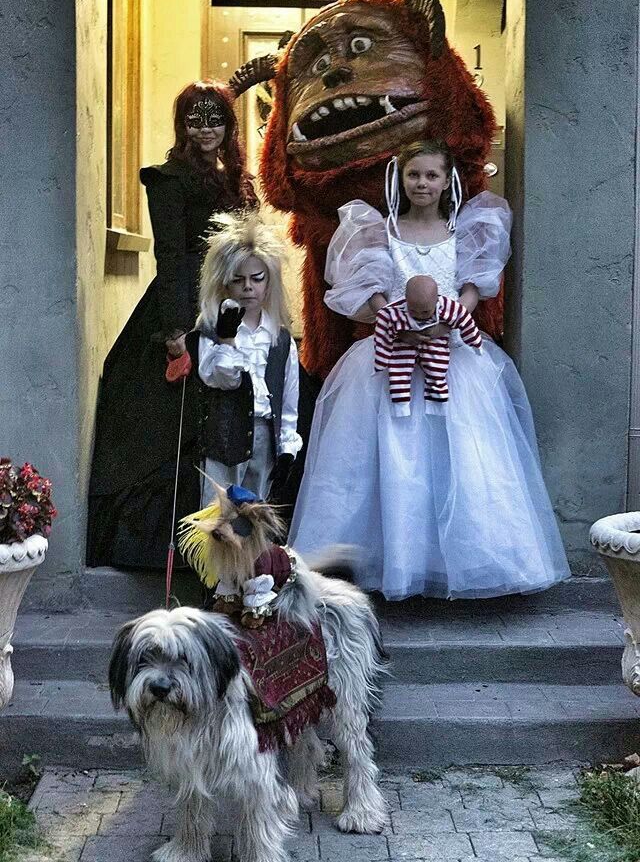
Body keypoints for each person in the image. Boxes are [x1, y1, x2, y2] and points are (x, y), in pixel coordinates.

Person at [290, 139, 571, 600]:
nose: (422, 183)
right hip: (389, 359)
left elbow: (472, 288)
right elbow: (374, 288)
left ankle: (453, 564)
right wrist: (396, 320)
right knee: (390, 458)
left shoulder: (465, 230)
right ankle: (389, 564)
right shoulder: (381, 231)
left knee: (459, 458)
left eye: (431, 175)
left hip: (453, 358)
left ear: (447, 181)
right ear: (400, 179)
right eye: (413, 175)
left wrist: (445, 322)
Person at [87, 80, 255, 569]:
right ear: (182, 125)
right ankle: (173, 546)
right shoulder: (168, 179)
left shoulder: (237, 179)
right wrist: (176, 330)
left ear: (229, 125)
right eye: (195, 119)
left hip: (233, 304)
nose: (206, 129)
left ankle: (239, 535)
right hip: (184, 306)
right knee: (172, 424)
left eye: (215, 119)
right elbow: (171, 256)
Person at [196, 209, 302, 505]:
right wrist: (227, 341)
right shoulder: (211, 330)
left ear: (269, 281)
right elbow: (219, 379)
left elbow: (288, 398)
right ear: (224, 283)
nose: (248, 287)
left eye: (257, 279)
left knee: (256, 514)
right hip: (223, 433)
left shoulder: (280, 339)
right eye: (238, 280)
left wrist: (287, 447)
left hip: (265, 436)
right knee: (218, 515)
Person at [374, 274, 483, 413]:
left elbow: (464, 314)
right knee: (397, 373)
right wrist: (397, 331)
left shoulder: (447, 307)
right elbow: (381, 313)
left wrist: (473, 342)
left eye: (425, 312)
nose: (419, 315)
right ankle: (400, 405)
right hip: (399, 344)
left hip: (447, 346)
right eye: (414, 311)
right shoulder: (396, 309)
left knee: (438, 370)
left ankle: (437, 405)